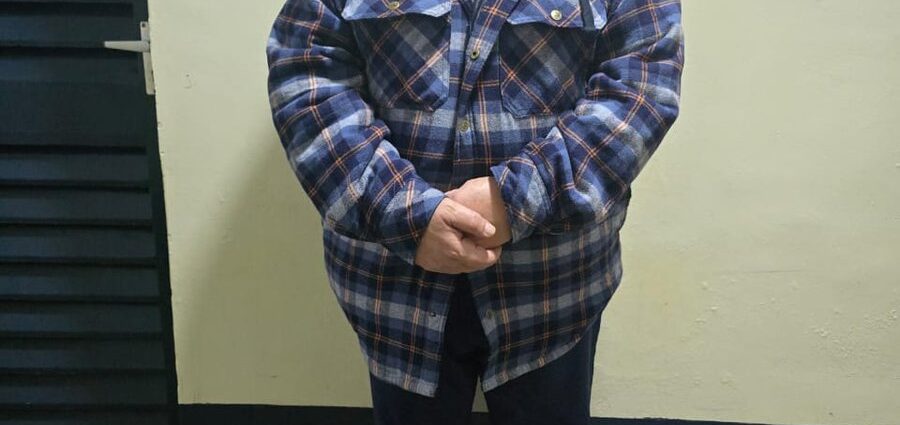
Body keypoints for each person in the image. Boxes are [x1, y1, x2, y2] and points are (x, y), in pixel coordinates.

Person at [265, 0, 683, 422]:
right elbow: (307, 74)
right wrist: (399, 208)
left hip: (552, 292)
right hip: (394, 290)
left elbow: (642, 88)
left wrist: (518, 197)